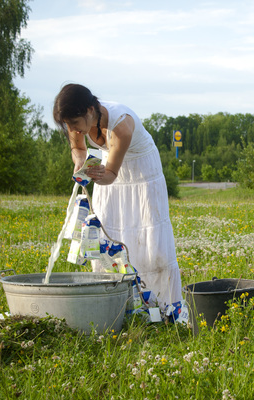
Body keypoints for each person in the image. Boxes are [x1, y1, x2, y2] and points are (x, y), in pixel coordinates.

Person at [53, 83, 183, 310]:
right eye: (67, 125)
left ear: (89, 111)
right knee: (108, 233)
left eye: (74, 123)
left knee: (150, 241)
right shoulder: (76, 122)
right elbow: (79, 149)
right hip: (107, 169)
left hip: (141, 172)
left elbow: (111, 175)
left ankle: (161, 306)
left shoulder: (121, 125)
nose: (72, 129)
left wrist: (98, 174)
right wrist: (80, 162)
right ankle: (114, 304)